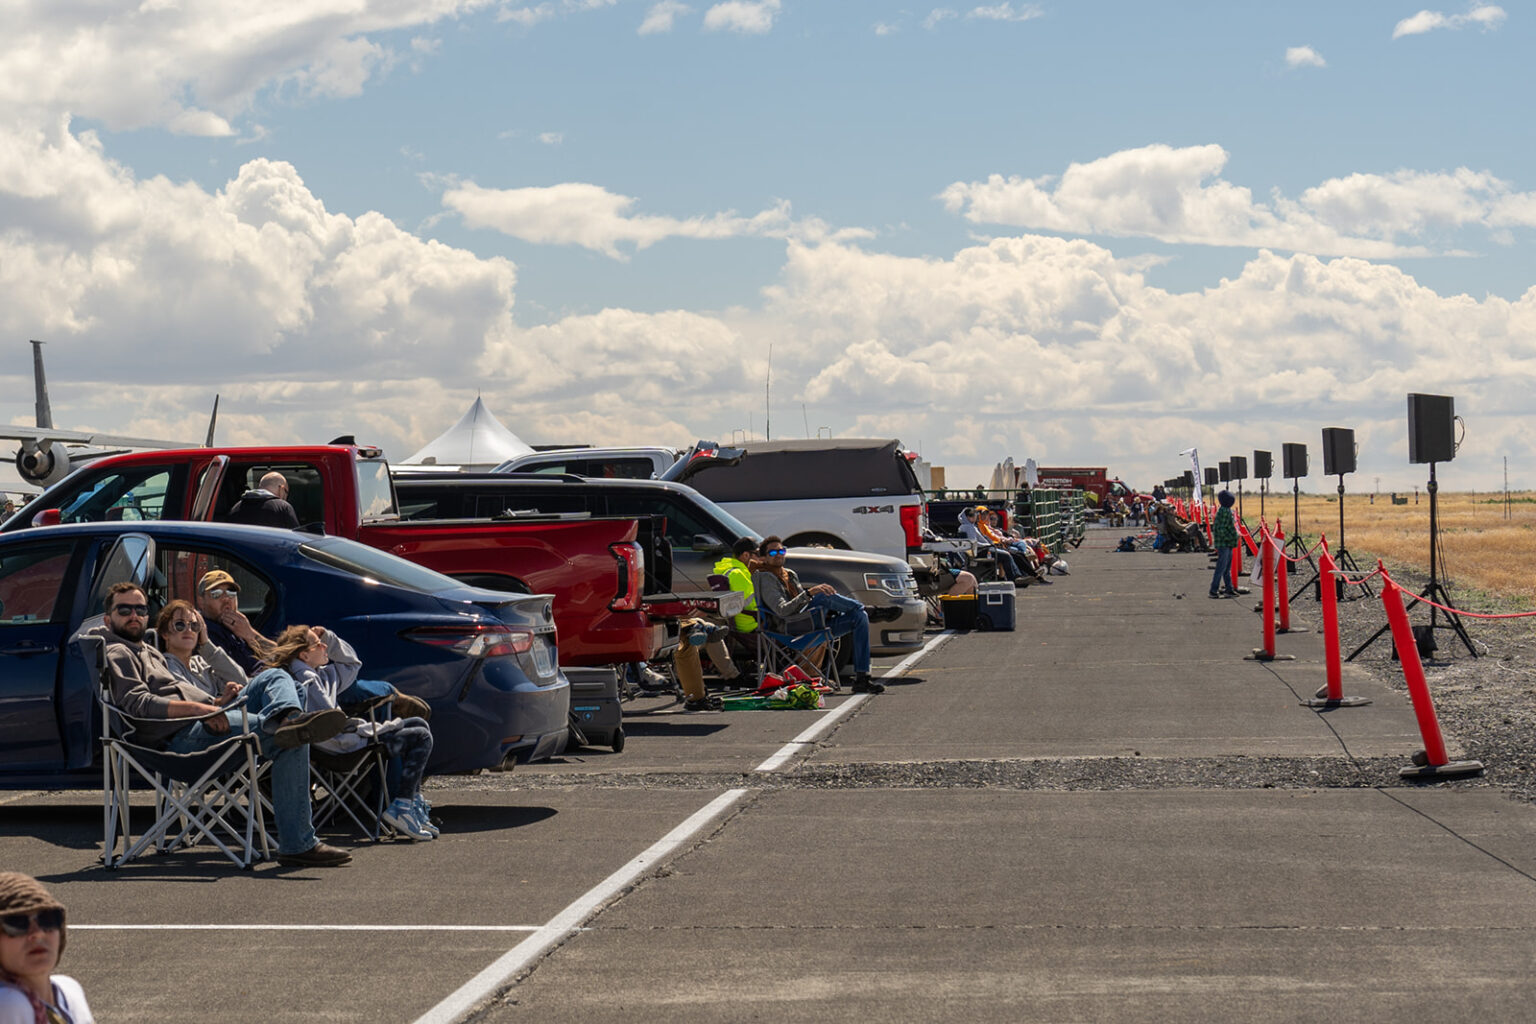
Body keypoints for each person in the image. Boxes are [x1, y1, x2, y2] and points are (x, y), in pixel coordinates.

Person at [90, 582, 353, 867]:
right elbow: (138, 703)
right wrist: (202, 709)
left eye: (140, 609)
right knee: (289, 738)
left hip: (204, 719)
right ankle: (298, 844)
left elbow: (193, 689)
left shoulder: (147, 650)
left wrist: (215, 703)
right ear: (108, 619)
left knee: (275, 678)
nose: (134, 615)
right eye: (124, 610)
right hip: (179, 738)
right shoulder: (119, 652)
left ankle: (289, 716)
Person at [262, 625, 439, 841]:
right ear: (305, 654)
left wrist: (329, 636)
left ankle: (410, 801)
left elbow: (352, 664)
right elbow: (331, 725)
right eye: (318, 644)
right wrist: (378, 728)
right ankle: (402, 806)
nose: (324, 646)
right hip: (339, 747)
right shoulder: (306, 679)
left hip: (345, 738)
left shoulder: (321, 673)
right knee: (421, 736)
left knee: (418, 722)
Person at [195, 570, 429, 720]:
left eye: (231, 593)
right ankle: (389, 695)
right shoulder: (203, 631)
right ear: (201, 601)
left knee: (338, 680)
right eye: (216, 593)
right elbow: (233, 671)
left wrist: (249, 634)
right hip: (266, 692)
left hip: (286, 675)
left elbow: (278, 653)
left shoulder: (239, 626)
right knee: (341, 685)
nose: (226, 599)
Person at [753, 536, 882, 694]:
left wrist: (810, 597)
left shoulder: (790, 574)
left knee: (860, 617)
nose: (779, 554)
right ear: (763, 558)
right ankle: (868, 609)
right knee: (821, 595)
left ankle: (862, 678)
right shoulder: (765, 577)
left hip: (807, 623)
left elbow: (804, 605)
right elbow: (782, 610)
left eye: (782, 550)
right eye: (773, 552)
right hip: (789, 627)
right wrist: (809, 593)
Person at [0, 872, 92, 1024]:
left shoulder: (70, 991)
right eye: (17, 923)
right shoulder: (8, 1004)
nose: (37, 933)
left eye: (47, 919)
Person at [155, 600, 246, 705]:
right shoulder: (165, 667)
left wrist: (206, 645)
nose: (189, 630)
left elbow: (242, 681)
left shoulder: (200, 662)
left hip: (231, 713)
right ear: (165, 633)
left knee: (267, 677)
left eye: (194, 625)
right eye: (180, 625)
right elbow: (189, 702)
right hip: (206, 719)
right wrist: (219, 702)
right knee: (267, 678)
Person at [958, 507, 1032, 584]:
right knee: (1006, 555)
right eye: (971, 516)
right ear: (966, 517)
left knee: (1008, 554)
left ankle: (1017, 576)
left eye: (974, 515)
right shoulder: (968, 527)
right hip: (981, 551)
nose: (973, 517)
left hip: (982, 549)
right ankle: (1014, 578)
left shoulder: (969, 526)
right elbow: (973, 542)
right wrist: (988, 545)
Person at [712, 537, 760, 635]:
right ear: (746, 555)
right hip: (751, 624)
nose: (759, 558)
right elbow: (750, 604)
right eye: (758, 554)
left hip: (742, 621)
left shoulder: (729, 570)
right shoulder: (738, 574)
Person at [225, 471, 300, 529]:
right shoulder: (283, 507)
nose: (286, 497)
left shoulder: (236, 508)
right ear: (281, 489)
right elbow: (297, 537)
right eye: (286, 492)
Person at [1209, 490, 1242, 599]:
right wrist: (1233, 537)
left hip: (1226, 543)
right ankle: (1213, 590)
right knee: (1221, 568)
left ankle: (1229, 589)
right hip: (1225, 543)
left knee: (1226, 568)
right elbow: (1222, 529)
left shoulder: (1224, 510)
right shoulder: (1224, 511)